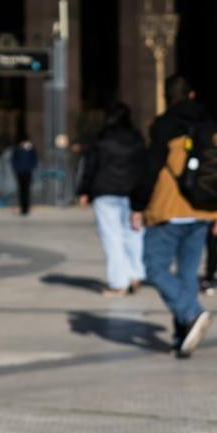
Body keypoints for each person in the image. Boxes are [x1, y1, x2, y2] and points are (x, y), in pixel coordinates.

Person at [142, 75, 217, 356]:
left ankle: (191, 315)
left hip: (170, 207)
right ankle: (184, 335)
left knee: (154, 267)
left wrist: (137, 204)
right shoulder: (210, 124)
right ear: (191, 95)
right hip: (203, 207)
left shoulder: (164, 125)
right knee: (188, 273)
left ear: (167, 96)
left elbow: (151, 167)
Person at [76, 102, 149, 295]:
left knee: (112, 237)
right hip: (131, 192)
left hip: (105, 191)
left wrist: (84, 191)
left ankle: (119, 282)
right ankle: (135, 273)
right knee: (133, 233)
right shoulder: (136, 138)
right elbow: (144, 167)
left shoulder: (101, 138)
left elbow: (90, 165)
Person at [11, 138, 38, 216]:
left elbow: (34, 159)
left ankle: (26, 208)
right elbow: (13, 160)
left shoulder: (30, 149)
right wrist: (16, 169)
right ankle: (23, 208)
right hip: (20, 172)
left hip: (28, 172)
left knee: (27, 190)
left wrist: (32, 167)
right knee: (21, 190)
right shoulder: (17, 149)